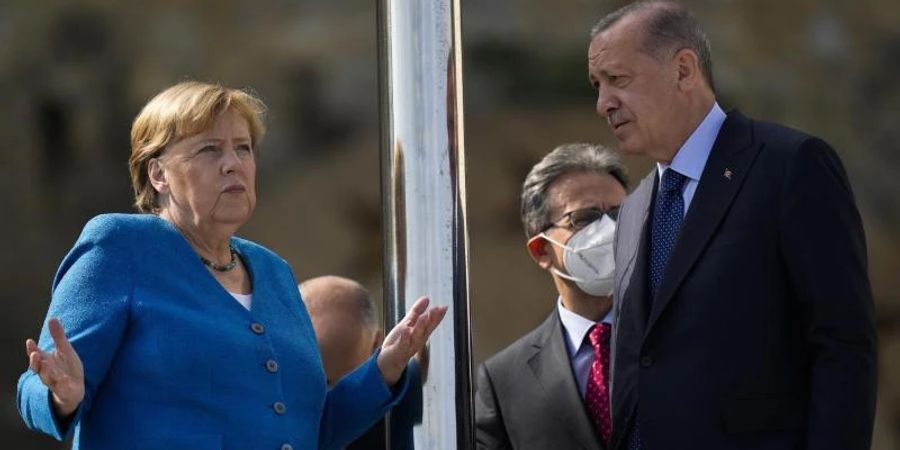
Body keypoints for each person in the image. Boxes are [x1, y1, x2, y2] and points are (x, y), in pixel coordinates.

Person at [17, 81, 447, 450]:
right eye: (209, 149)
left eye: (243, 148)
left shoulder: (274, 272)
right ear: (158, 175)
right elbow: (36, 387)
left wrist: (383, 370)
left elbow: (310, 432)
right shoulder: (120, 245)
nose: (233, 163)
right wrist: (61, 396)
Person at [586, 2, 877, 449]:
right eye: (597, 85)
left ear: (684, 70)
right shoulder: (635, 207)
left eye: (618, 80)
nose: (604, 103)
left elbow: (842, 347)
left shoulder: (790, 167)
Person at [475, 143, 628, 450]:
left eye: (619, 213)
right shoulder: (504, 380)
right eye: (584, 218)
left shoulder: (687, 334)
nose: (609, 229)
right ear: (541, 250)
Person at [300, 275, 424, 450]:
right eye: (321, 384)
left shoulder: (407, 402)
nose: (332, 401)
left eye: (343, 382)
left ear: (376, 343)